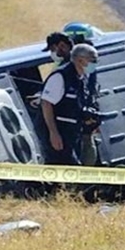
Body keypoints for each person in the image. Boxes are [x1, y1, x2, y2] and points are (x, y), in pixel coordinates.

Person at [42, 31, 101, 166]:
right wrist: (53, 133)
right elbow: (46, 104)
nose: (95, 64)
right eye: (93, 61)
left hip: (73, 134)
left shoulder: (82, 79)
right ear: (80, 60)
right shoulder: (61, 76)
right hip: (59, 135)